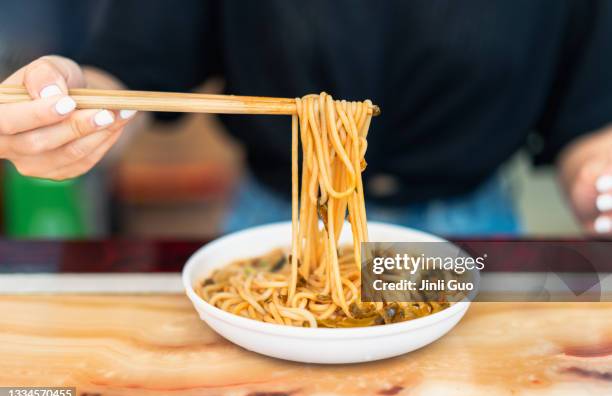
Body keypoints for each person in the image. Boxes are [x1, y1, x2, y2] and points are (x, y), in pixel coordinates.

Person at [0, 0, 611, 236]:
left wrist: (600, 183)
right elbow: (131, 70)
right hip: (276, 225)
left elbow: (592, 119)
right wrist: (76, 106)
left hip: (470, 234)